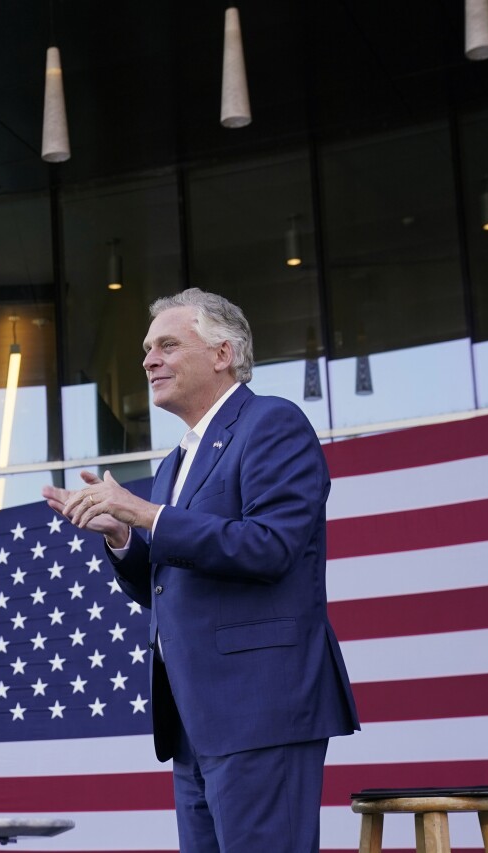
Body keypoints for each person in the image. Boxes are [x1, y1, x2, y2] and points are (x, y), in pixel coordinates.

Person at [42, 288, 359, 852]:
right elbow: (159, 584)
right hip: (193, 719)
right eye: (146, 350)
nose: (148, 361)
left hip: (261, 709)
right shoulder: (175, 462)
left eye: (167, 344)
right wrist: (121, 537)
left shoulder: (272, 423)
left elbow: (271, 546)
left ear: (223, 354)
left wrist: (146, 514)